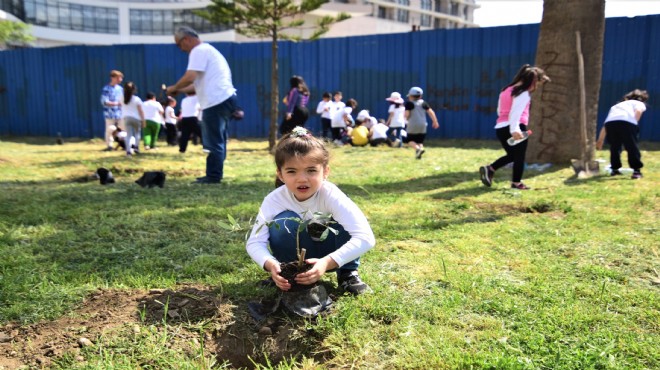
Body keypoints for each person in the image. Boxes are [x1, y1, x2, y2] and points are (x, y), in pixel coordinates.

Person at [246, 127, 376, 295]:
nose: (302, 179)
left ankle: (347, 274)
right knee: (283, 220)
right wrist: (271, 264)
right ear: (280, 174)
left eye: (311, 170)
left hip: (330, 252)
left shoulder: (331, 196)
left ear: (325, 172)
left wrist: (327, 262)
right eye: (291, 171)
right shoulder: (274, 200)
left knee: (343, 221)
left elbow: (365, 237)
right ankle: (288, 274)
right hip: (294, 258)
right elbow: (255, 242)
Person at [167, 26, 239, 184]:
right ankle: (215, 173)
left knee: (213, 141)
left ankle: (213, 176)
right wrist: (180, 90)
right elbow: (196, 85)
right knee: (218, 139)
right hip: (224, 99)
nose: (180, 49)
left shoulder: (198, 51)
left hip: (216, 102)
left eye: (179, 44)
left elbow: (190, 76)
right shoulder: (208, 51)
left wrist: (174, 88)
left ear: (186, 39)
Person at [479, 65, 551, 190]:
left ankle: (490, 169)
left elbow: (499, 110)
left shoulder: (506, 90)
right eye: (538, 83)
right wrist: (515, 129)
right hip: (515, 126)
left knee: (512, 155)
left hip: (501, 127)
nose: (537, 87)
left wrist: (508, 125)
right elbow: (515, 113)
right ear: (533, 80)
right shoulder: (523, 93)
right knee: (519, 157)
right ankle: (516, 183)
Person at [596, 89, 649, 179]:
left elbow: (605, 125)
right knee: (631, 146)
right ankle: (636, 171)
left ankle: (615, 169)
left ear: (626, 97)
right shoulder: (639, 103)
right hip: (627, 123)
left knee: (615, 147)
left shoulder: (616, 106)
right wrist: (634, 123)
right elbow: (638, 111)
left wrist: (600, 140)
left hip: (611, 124)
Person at [404, 86, 440, 159]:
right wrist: (435, 121)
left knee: (409, 140)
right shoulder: (424, 103)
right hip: (423, 125)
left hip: (412, 124)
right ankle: (420, 151)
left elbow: (407, 114)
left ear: (410, 96)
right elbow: (431, 112)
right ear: (420, 96)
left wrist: (405, 119)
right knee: (419, 141)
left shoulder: (409, 104)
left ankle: (417, 149)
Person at [100, 70, 124, 151]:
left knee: (123, 129)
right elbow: (104, 101)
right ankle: (109, 145)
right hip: (109, 113)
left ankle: (124, 144)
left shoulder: (120, 89)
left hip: (120, 113)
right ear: (112, 78)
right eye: (118, 78)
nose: (120, 80)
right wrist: (116, 104)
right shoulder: (106, 89)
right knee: (109, 129)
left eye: (121, 78)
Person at [120, 82, 145, 157]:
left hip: (126, 118)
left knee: (129, 135)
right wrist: (143, 120)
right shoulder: (137, 99)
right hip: (136, 118)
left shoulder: (121, 98)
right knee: (137, 133)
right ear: (134, 90)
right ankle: (136, 147)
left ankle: (128, 152)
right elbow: (141, 111)